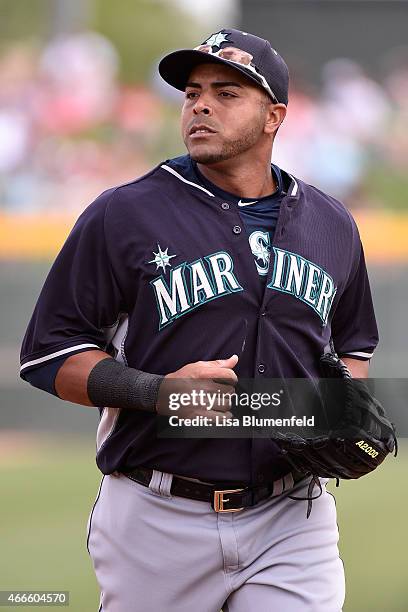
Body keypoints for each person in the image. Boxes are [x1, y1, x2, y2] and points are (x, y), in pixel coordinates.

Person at [20, 28, 378, 612]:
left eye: (227, 92)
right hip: (156, 517)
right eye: (192, 92)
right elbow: (49, 355)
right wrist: (157, 391)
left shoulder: (332, 224)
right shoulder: (125, 213)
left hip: (292, 516)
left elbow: (353, 345)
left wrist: (343, 411)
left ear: (275, 116)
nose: (201, 105)